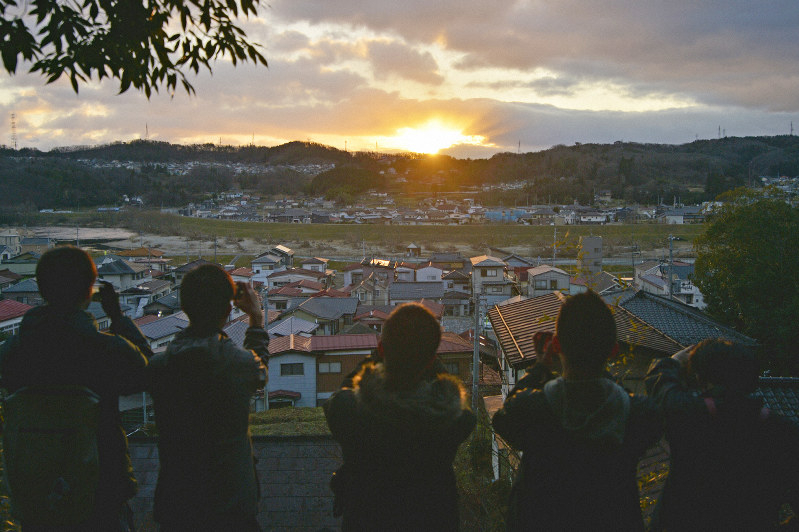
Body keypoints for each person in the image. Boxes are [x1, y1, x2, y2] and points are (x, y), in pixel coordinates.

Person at [0, 245, 153, 531]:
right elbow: (148, 374)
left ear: (42, 290)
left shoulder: (13, 354)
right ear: (89, 291)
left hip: (38, 491)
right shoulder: (106, 350)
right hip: (102, 490)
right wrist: (118, 318)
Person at [492, 290, 662, 531]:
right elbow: (648, 412)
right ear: (613, 350)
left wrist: (541, 367)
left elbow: (504, 417)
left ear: (557, 345)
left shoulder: (533, 409)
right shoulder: (636, 414)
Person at [324, 302, 476, 532]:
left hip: (367, 520)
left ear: (382, 350)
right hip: (433, 520)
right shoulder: (452, 419)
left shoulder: (349, 411)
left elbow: (347, 388)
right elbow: (456, 400)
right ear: (432, 359)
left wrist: (378, 355)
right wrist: (428, 357)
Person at [148, 264, 268, 531]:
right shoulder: (238, 365)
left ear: (184, 305)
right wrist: (256, 319)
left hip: (178, 505)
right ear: (228, 310)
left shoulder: (159, 368)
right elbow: (259, 370)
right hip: (231, 505)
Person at [644, 338, 799, 531]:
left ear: (700, 379)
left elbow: (662, 389)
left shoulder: (689, 419)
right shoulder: (782, 431)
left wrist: (674, 362)